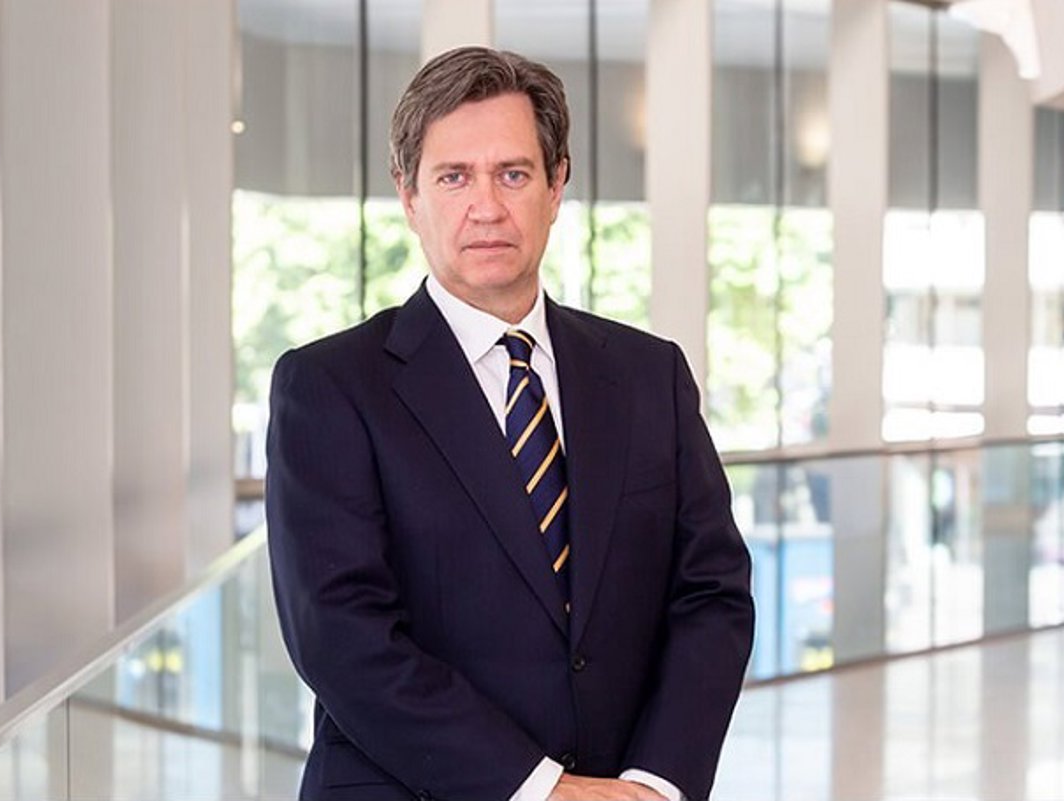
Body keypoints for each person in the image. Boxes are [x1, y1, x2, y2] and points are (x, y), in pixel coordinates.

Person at [266, 46, 754, 801]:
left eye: (514, 174)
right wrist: (543, 789)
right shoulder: (331, 387)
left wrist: (656, 783)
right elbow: (342, 636)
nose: (486, 206)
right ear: (408, 195)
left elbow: (711, 593)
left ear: (557, 186)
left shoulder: (648, 375)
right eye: (453, 177)